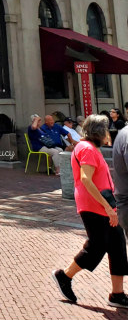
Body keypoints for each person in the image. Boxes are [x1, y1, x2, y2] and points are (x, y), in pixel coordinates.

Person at [53, 114, 128, 308]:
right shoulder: (86, 148)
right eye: (106, 130)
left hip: (104, 203)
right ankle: (64, 275)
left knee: (118, 245)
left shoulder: (89, 147)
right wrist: (107, 207)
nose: (108, 133)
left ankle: (117, 294)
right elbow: (86, 179)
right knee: (97, 245)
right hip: (95, 205)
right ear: (99, 132)